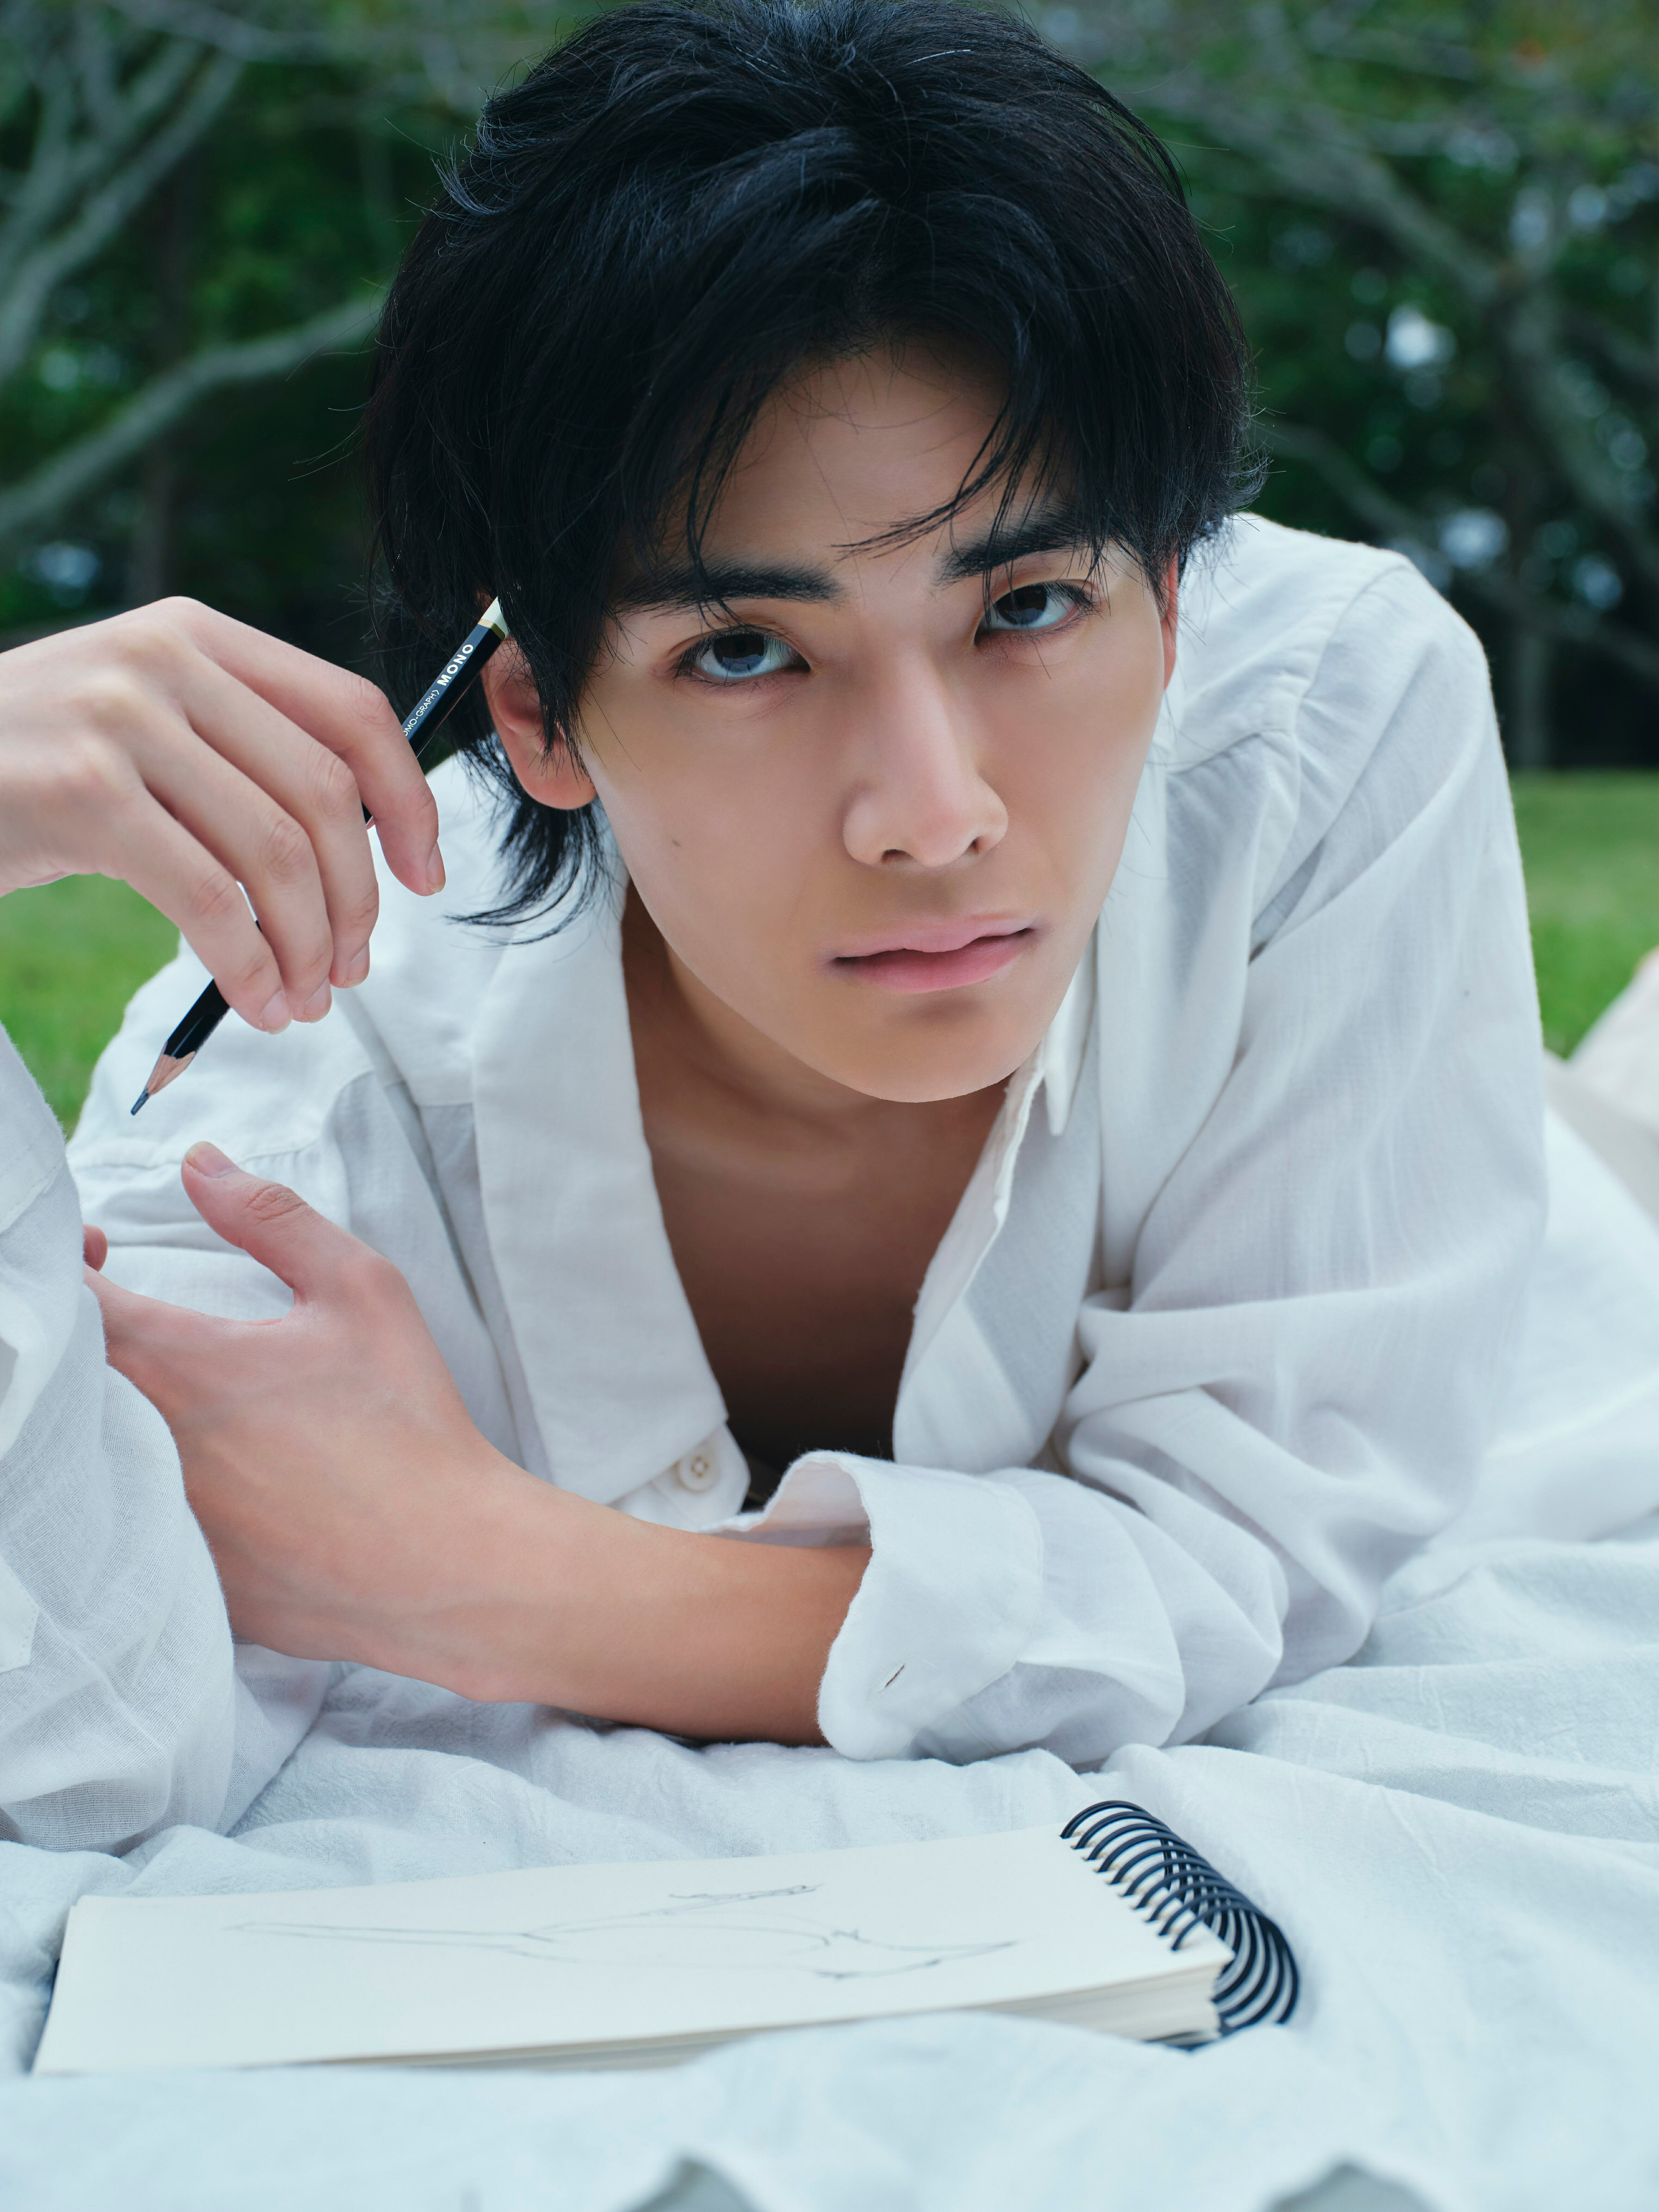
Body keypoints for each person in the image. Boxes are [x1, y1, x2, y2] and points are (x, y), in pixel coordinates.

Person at [3, 0, 1549, 1805]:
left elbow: (1262, 1552)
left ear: (1175, 606)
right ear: (537, 715)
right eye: (745, 651)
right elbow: (85, 1728)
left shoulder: (1322, 733)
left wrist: (493, 1577)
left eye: (1031, 607)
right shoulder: (320, 1057)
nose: (935, 815)